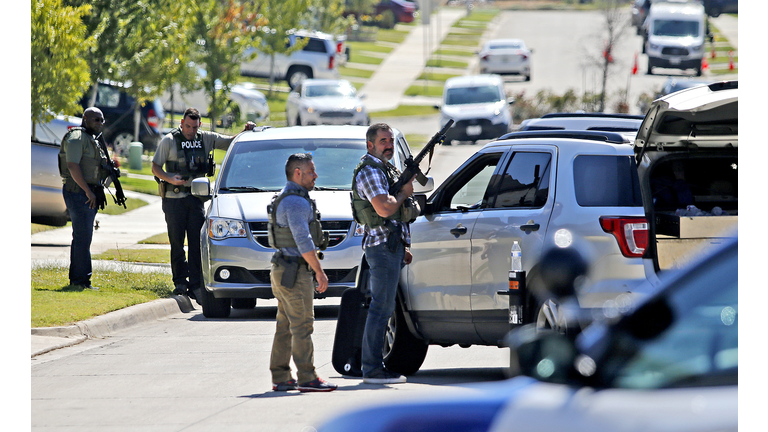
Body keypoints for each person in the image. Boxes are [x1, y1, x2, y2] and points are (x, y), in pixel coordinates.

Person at [151, 108, 255, 300]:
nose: (191, 131)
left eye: (195, 127)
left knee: (196, 243)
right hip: (174, 200)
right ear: (181, 123)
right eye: (188, 126)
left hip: (196, 199)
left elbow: (230, 142)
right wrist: (170, 179)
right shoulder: (169, 140)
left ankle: (196, 284)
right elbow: (155, 166)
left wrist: (245, 131)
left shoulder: (205, 138)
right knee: (176, 242)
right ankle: (180, 282)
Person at [351, 123, 418, 384]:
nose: (389, 145)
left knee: (384, 307)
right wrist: (403, 193)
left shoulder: (384, 168)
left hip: (391, 246)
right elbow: (385, 209)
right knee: (381, 309)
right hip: (381, 248)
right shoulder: (369, 171)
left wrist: (406, 246)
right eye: (383, 141)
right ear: (370, 145)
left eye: (390, 140)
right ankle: (372, 369)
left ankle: (374, 367)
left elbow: (397, 216)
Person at [268, 153, 337, 393]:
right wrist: (320, 272)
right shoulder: (296, 202)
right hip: (295, 272)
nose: (315, 175)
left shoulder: (286, 198)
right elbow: (304, 242)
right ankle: (307, 377)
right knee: (302, 326)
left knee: (285, 325)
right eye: (311, 171)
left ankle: (281, 377)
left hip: (282, 269)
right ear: (297, 173)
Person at [58, 107, 111, 290]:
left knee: (84, 237)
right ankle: (80, 281)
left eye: (101, 120)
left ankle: (81, 280)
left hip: (89, 194)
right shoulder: (77, 138)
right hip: (79, 193)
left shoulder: (92, 139)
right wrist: (88, 191)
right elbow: (72, 166)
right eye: (96, 119)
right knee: (82, 238)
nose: (99, 123)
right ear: (85, 118)